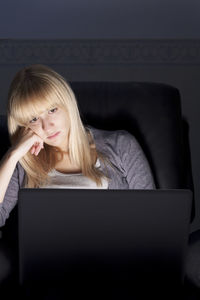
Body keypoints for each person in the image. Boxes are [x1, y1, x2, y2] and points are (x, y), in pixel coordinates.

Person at [0, 64, 155, 294]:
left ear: (67, 103)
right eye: (34, 118)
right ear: (24, 125)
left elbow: (152, 220)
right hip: (48, 273)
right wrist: (13, 155)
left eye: (52, 110)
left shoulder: (121, 145)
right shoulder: (26, 162)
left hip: (114, 269)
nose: (47, 126)